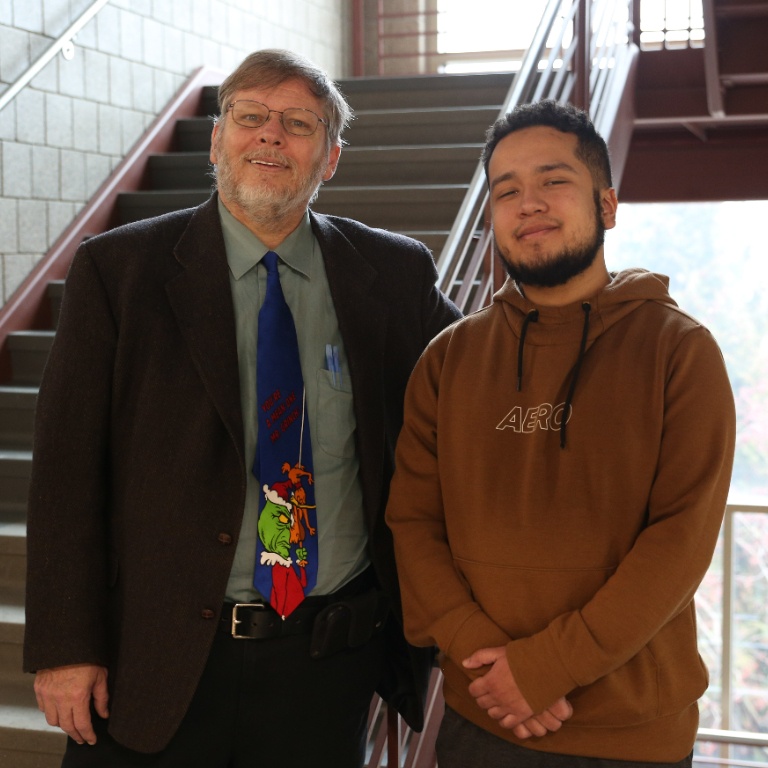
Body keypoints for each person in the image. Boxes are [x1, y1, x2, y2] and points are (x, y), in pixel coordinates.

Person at [23, 49, 461, 768]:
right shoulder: (119, 271)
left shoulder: (392, 273)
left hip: (326, 667)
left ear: (330, 158)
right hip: (152, 661)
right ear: (217, 139)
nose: (270, 135)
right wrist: (66, 647)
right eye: (250, 116)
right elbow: (67, 470)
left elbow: (474, 378)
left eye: (297, 123)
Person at [385, 99, 736, 767]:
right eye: (506, 190)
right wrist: (484, 654)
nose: (529, 204)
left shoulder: (679, 351)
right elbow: (413, 521)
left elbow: (679, 539)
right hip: (478, 716)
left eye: (553, 181)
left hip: (632, 737)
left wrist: (544, 669)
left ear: (606, 205)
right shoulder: (447, 359)